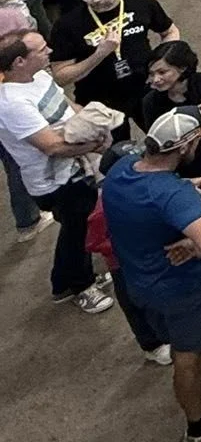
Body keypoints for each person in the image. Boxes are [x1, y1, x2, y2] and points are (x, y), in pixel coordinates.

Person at [100, 107, 201, 441]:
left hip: (141, 282)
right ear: (185, 146)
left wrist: (187, 185)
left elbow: (148, 197)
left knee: (187, 346)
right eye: (197, 141)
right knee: (187, 355)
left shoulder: (122, 169)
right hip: (182, 290)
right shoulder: (171, 195)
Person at [0, 30, 116, 312]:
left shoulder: (39, 76)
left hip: (78, 168)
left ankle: (64, 282)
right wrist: (96, 145)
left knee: (79, 226)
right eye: (42, 49)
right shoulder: (12, 103)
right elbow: (51, 146)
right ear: (19, 62)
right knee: (77, 232)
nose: (50, 51)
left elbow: (67, 106)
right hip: (55, 182)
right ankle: (80, 286)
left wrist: (96, 123)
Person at [49, 0, 178, 122]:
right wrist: (100, 54)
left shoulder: (143, 4)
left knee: (164, 131)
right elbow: (61, 76)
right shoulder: (66, 25)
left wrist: (162, 63)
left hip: (145, 87)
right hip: (99, 99)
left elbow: (170, 31)